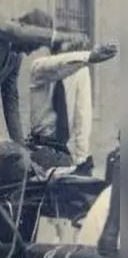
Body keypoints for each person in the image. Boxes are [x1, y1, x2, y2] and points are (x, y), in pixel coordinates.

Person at [0, 8, 89, 187]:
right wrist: (61, 37)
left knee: (7, 158)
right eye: (32, 44)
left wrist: (22, 151)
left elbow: (11, 100)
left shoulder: (14, 57)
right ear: (25, 29)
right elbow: (16, 31)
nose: (30, 52)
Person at [27, 42, 117, 173]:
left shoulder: (81, 72)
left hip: (63, 152)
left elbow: (83, 116)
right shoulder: (40, 68)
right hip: (39, 147)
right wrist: (89, 56)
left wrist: (82, 157)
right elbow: (59, 63)